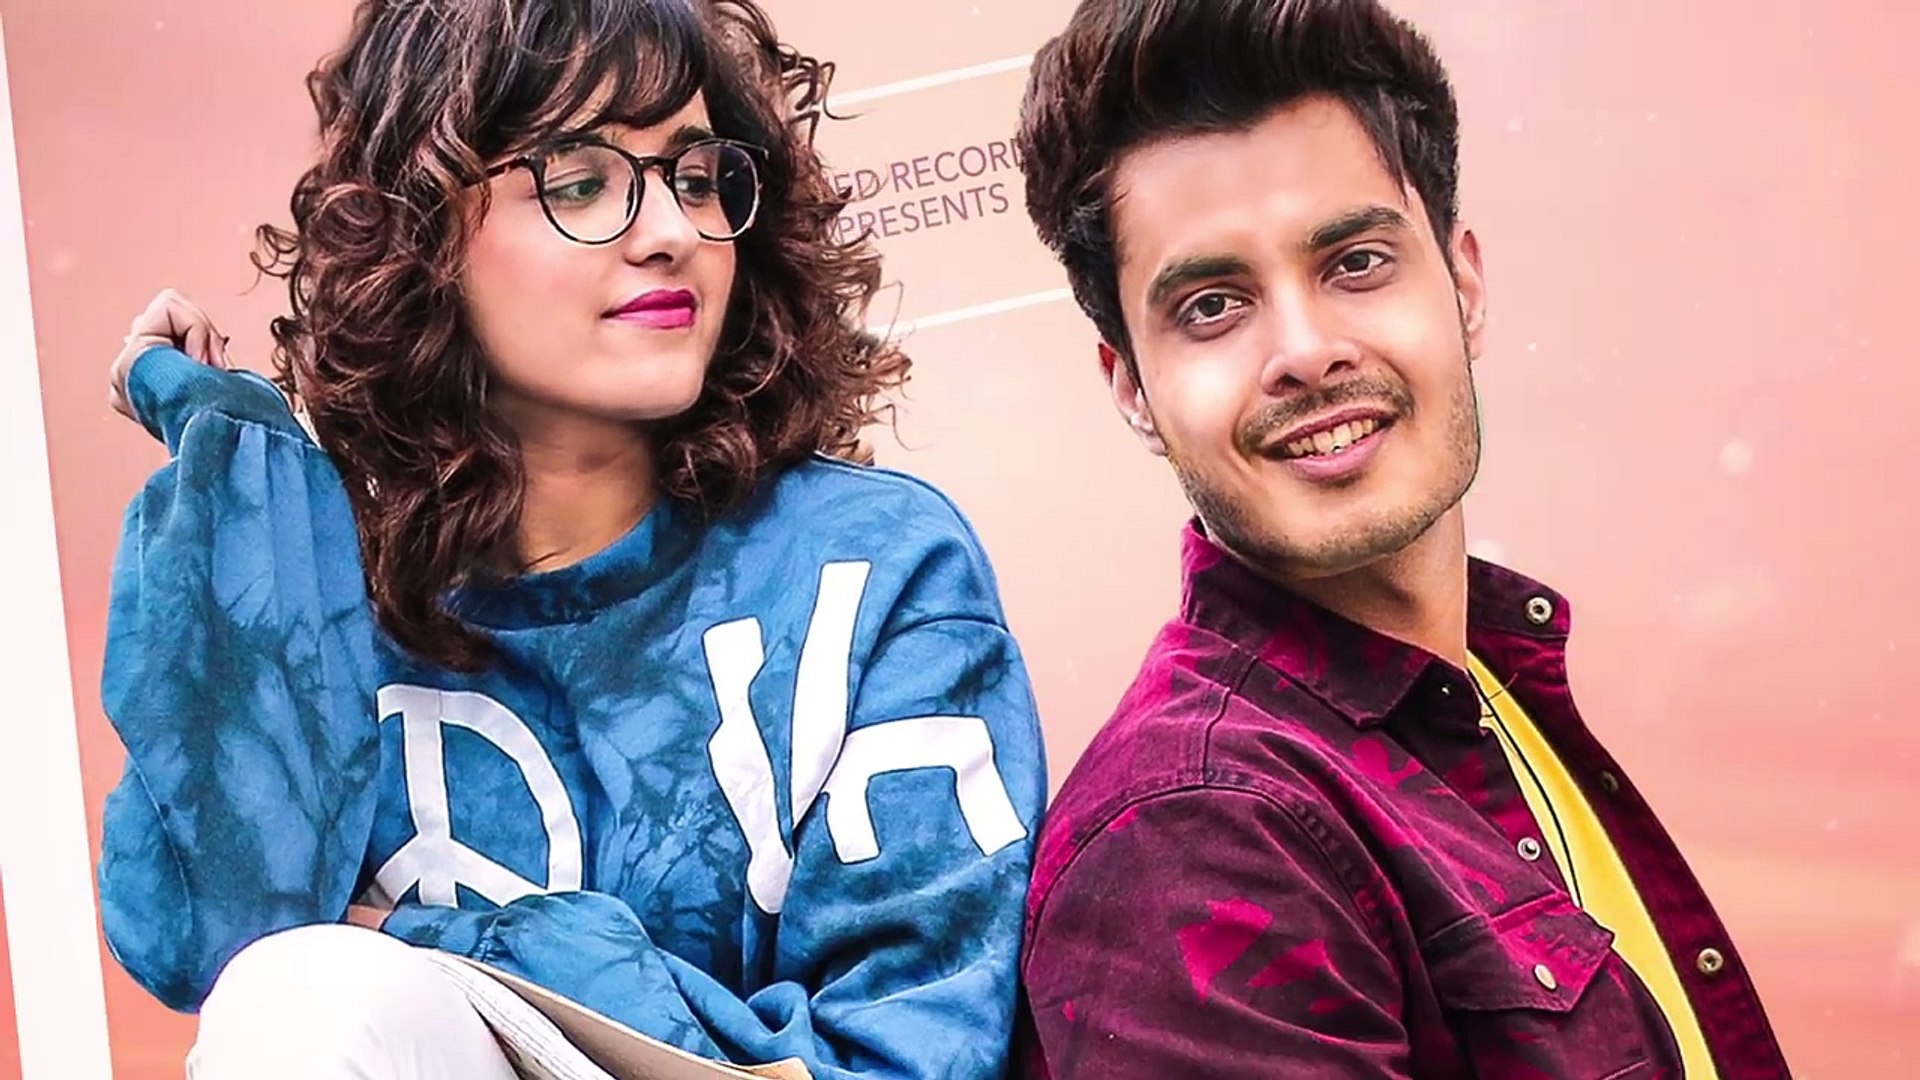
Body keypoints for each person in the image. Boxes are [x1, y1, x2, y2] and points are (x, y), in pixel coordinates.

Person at [97, 1, 1045, 1077]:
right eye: (582, 182)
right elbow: (216, 945)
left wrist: (465, 946)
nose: (672, 231)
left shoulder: (875, 568)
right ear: (423, 234)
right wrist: (244, 481)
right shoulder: (347, 599)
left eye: (697, 177)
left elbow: (909, 1056)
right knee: (303, 990)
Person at [1009, 0, 1788, 1076]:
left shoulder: (1481, 684)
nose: (1306, 351)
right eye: (1212, 306)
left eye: (1357, 263)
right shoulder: (1194, 837)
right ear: (1131, 389)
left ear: (1464, 285)